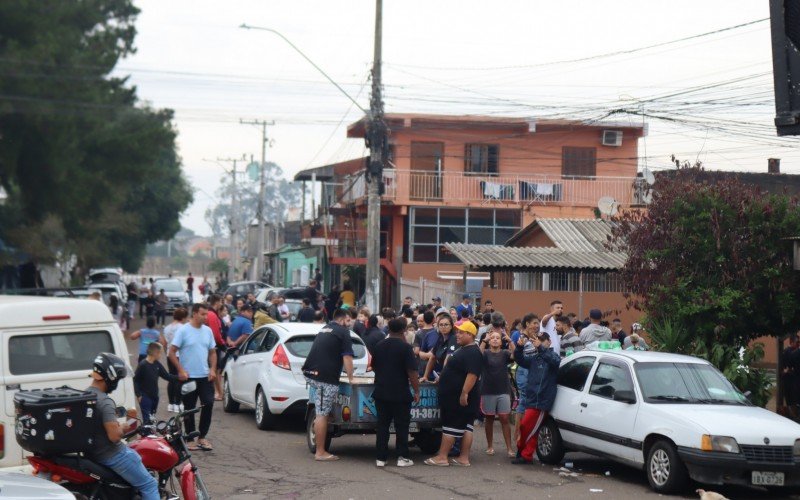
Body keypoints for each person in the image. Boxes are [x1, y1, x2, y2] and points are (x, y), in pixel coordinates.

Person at [88, 352, 159, 500]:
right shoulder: (105, 401)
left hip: (93, 453)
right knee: (149, 484)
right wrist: (125, 426)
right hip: (112, 454)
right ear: (111, 377)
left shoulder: (85, 395)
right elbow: (114, 436)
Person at [424, 321, 481, 467]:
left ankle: (442, 457)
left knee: (451, 425)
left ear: (470, 334)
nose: (458, 335)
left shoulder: (473, 352)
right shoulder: (466, 349)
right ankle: (463, 458)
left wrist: (464, 393)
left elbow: (472, 375)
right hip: (457, 395)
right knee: (466, 427)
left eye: (461, 332)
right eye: (458, 332)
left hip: (458, 398)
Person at [303, 309, 355, 461]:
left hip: (312, 373)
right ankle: (320, 452)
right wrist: (351, 377)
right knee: (321, 413)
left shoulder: (325, 329)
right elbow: (347, 357)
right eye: (349, 320)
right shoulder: (343, 332)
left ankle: (328, 418)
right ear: (344, 319)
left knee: (323, 410)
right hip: (324, 378)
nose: (350, 323)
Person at [371, 317, 420, 467]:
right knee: (402, 426)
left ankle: (381, 458)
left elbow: (373, 366)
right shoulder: (406, 348)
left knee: (382, 425)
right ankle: (402, 457)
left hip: (381, 392)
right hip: (400, 393)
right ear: (403, 330)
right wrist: (416, 391)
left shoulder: (379, 345)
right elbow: (412, 371)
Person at [168, 304, 217, 452]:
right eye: (203, 314)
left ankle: (202, 437)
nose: (206, 317)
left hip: (204, 377)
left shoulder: (207, 331)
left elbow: (213, 352)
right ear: (194, 314)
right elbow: (171, 352)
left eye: (206, 314)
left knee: (208, 403)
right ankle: (190, 438)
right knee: (189, 408)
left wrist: (213, 369)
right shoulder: (183, 331)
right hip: (189, 377)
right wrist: (181, 370)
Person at [513, 331, 560, 464]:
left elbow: (554, 361)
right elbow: (520, 360)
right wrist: (520, 347)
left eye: (543, 340)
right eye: (538, 340)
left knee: (528, 427)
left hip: (542, 401)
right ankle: (524, 454)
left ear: (549, 341)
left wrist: (540, 347)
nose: (539, 342)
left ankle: (523, 452)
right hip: (532, 399)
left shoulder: (553, 356)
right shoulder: (535, 358)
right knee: (529, 428)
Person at [478, 331, 515, 457]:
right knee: (489, 418)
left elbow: (516, 355)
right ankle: (489, 446)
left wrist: (510, 341)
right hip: (487, 390)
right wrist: (484, 340)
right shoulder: (485, 353)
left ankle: (509, 448)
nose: (494, 340)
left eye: (497, 338)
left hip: (503, 390)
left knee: (505, 418)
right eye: (492, 338)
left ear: (501, 341)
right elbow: (477, 354)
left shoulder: (505, 353)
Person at [134, 342, 183, 424]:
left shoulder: (156, 364)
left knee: (152, 417)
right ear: (155, 353)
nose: (161, 355)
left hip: (155, 396)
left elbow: (166, 376)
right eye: (160, 353)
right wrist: (138, 395)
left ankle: (151, 433)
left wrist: (180, 378)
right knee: (147, 419)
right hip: (145, 397)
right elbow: (135, 380)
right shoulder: (143, 365)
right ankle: (147, 433)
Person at [512, 313, 539, 444]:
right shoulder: (519, 336)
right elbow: (515, 354)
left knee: (529, 402)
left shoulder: (536, 337)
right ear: (527, 324)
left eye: (537, 323)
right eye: (534, 323)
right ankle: (518, 435)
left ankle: (525, 434)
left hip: (533, 371)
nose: (537, 325)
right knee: (523, 400)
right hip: (523, 370)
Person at [162, 307, 188, 413]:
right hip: (179, 355)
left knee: (171, 378)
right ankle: (178, 403)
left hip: (169, 354)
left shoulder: (167, 328)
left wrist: (167, 352)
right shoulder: (183, 327)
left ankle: (171, 403)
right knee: (180, 378)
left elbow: (164, 343)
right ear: (183, 317)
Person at [421, 313, 458, 382]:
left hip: (454, 377)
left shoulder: (454, 338)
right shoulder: (440, 339)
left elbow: (448, 359)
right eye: (441, 325)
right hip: (443, 376)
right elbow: (432, 358)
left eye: (446, 325)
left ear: (451, 326)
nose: (443, 327)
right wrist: (425, 376)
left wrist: (442, 376)